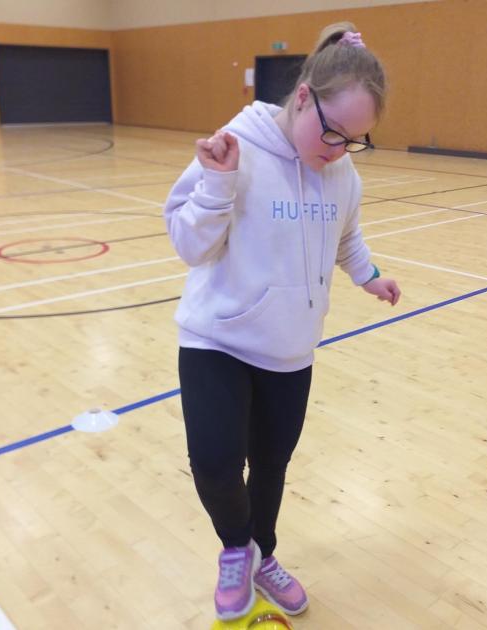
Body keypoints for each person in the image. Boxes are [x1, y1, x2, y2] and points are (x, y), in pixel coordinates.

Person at [164, 21, 401, 621]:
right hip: (217, 339)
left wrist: (368, 275)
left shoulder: (342, 173)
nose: (338, 149)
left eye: (355, 140)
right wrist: (218, 184)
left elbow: (346, 234)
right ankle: (236, 548)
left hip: (291, 350)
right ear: (302, 97)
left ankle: (262, 555)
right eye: (331, 132)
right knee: (216, 464)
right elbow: (188, 244)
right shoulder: (233, 149)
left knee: (270, 466)